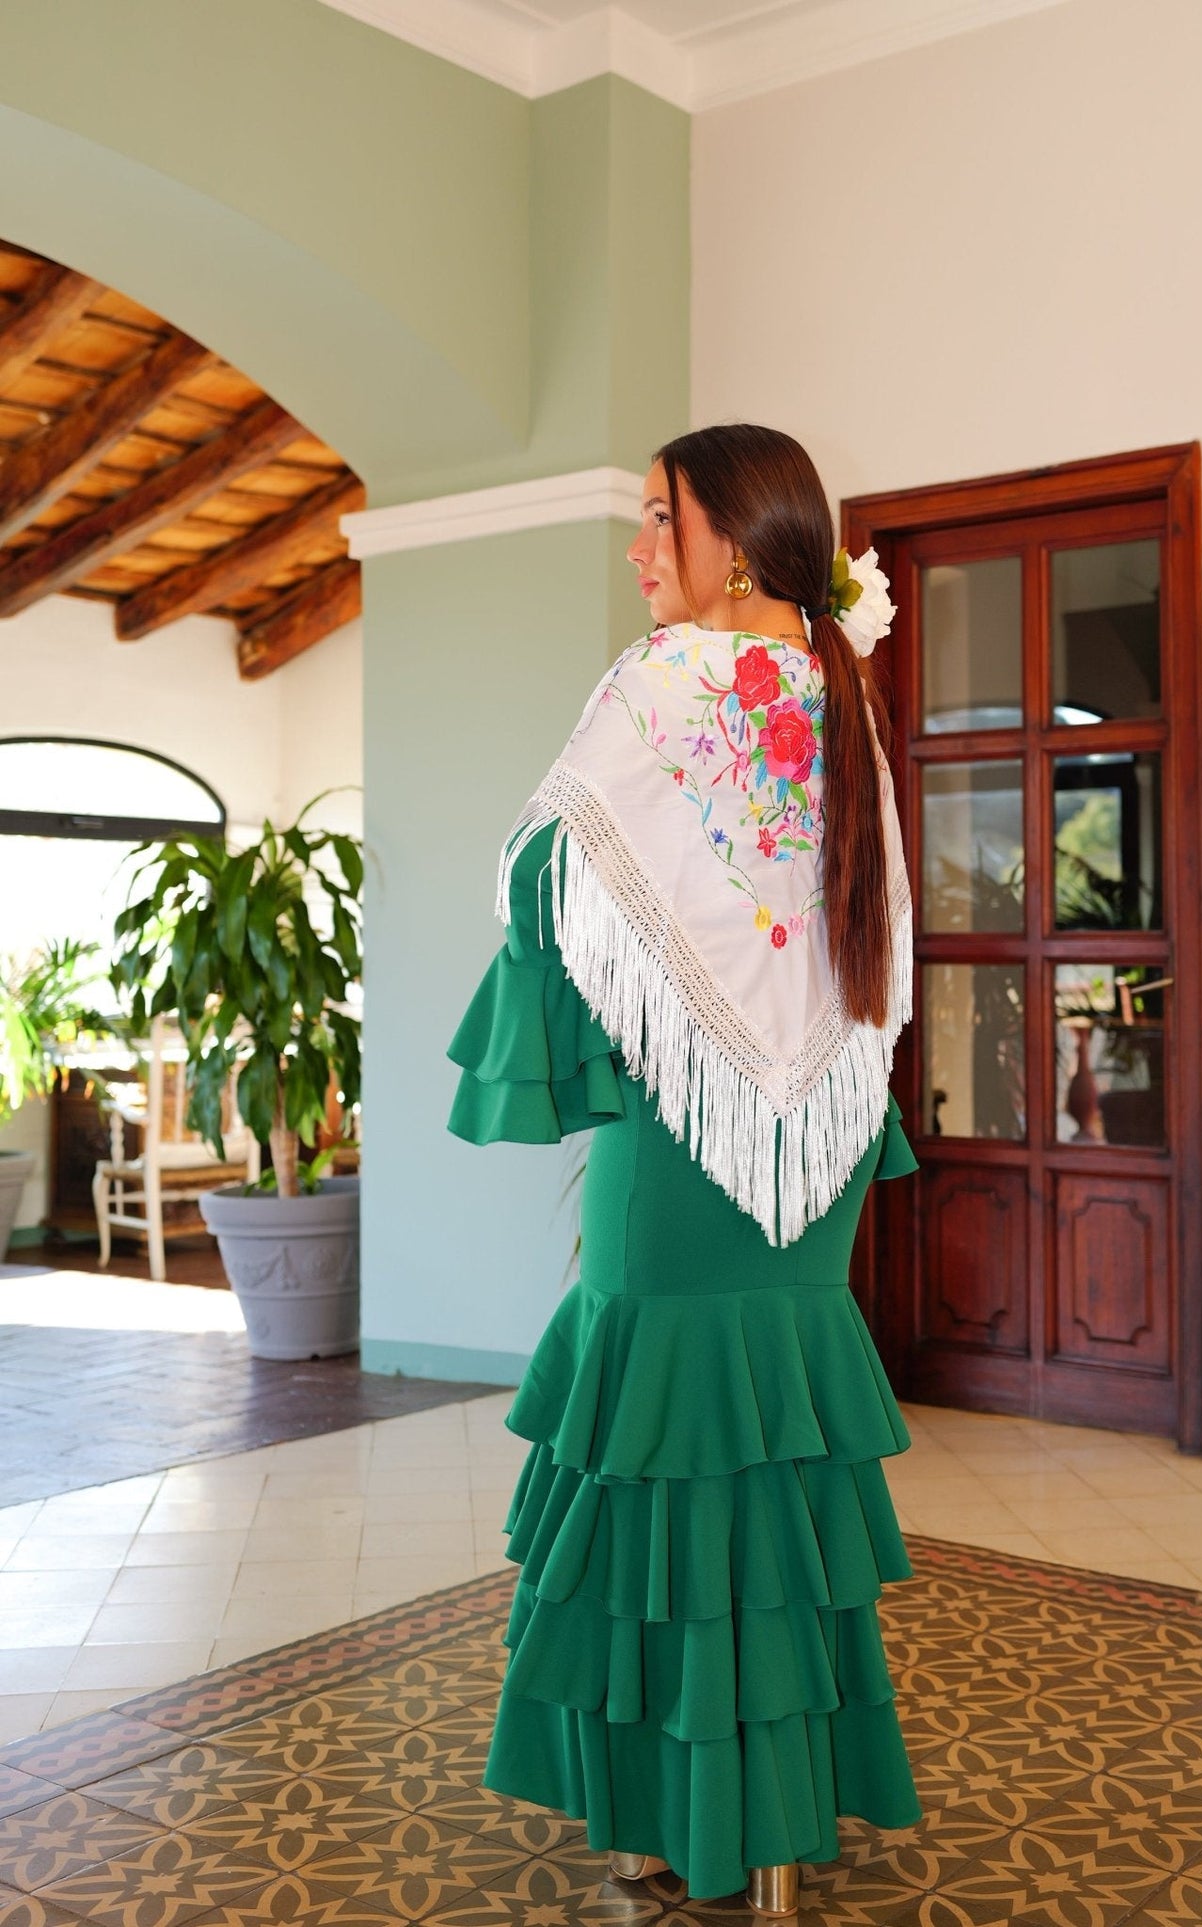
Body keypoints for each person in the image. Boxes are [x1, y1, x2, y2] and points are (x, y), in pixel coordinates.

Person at [445, 422, 922, 1916]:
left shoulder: (659, 686)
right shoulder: (845, 698)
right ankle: (766, 1817)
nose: (640, 550)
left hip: (684, 1134)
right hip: (816, 1132)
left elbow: (544, 872)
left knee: (651, 1443)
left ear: (742, 536)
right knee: (771, 1456)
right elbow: (871, 946)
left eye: (662, 520)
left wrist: (632, 981)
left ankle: (672, 1814)